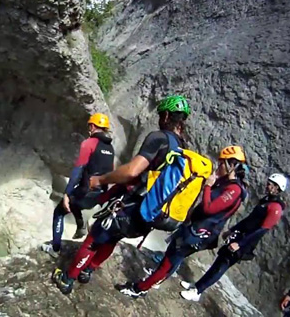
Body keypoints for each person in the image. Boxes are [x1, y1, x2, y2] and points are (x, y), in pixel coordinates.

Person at [52, 94, 192, 294]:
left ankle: (69, 278)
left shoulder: (159, 138)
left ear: (167, 115)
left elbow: (132, 171)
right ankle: (88, 270)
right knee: (112, 238)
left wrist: (100, 180)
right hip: (151, 214)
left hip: (133, 206)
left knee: (95, 238)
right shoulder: (183, 149)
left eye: (162, 114)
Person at [116, 145, 248, 298]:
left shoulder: (234, 190)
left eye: (222, 163)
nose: (218, 167)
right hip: (196, 229)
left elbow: (209, 209)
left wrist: (208, 187)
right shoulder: (228, 185)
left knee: (169, 261)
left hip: (199, 232)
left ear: (232, 165)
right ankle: (152, 282)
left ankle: (139, 289)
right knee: (171, 258)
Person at [180, 173, 288, 302]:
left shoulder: (275, 208)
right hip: (240, 236)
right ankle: (197, 286)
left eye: (271, 184)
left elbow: (261, 230)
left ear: (277, 188)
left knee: (222, 266)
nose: (268, 185)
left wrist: (240, 244)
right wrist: (233, 230)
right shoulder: (266, 201)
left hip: (244, 243)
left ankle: (197, 291)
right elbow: (249, 220)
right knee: (219, 261)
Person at [41, 113, 115, 258]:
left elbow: (78, 170)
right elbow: (110, 172)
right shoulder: (110, 148)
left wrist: (66, 194)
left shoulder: (89, 143)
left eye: (89, 126)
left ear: (92, 126)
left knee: (59, 212)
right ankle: (81, 225)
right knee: (76, 200)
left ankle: (55, 249)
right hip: (99, 194)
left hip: (86, 191)